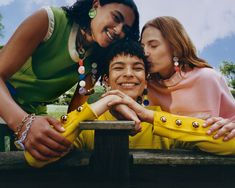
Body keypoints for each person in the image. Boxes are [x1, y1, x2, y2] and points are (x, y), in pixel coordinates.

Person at [25, 39, 235, 168]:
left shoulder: (163, 118)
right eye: (118, 68)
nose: (128, 74)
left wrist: (146, 115)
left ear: (145, 81)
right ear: (105, 80)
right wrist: (105, 103)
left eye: (136, 68)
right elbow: (36, 158)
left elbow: (230, 144)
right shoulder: (87, 124)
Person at [0, 0, 140, 160]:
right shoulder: (49, 20)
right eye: (116, 17)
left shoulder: (96, 58)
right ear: (95, 6)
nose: (119, 31)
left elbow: (75, 111)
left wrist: (112, 106)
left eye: (126, 29)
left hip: (33, 117)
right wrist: (24, 124)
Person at [140, 16, 235, 141]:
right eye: (142, 47)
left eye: (153, 45)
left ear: (175, 47)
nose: (145, 53)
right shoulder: (145, 87)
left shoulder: (208, 78)